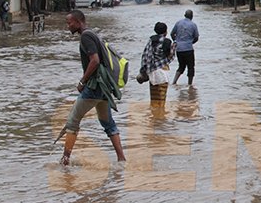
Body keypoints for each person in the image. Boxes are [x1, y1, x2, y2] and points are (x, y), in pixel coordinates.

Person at [61, 10, 126, 166]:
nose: (68, 26)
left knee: (72, 121)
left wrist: (82, 81)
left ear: (78, 22)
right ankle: (121, 159)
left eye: (69, 23)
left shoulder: (86, 36)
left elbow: (95, 61)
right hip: (103, 88)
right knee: (108, 124)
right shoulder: (93, 34)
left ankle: (65, 161)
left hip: (94, 87)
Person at [140, 22, 175, 106]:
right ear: (166, 32)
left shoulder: (151, 41)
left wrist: (143, 71)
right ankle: (161, 117)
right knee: (162, 99)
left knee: (154, 99)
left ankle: (154, 117)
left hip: (152, 72)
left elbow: (145, 56)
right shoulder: (167, 42)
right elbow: (170, 56)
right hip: (163, 72)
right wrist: (173, 48)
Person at [171, 10, 199, 85]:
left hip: (179, 49)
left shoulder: (178, 23)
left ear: (184, 15)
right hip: (188, 49)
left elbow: (172, 33)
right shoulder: (193, 25)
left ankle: (174, 82)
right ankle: (190, 84)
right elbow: (196, 37)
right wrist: (190, 42)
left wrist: (176, 41)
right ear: (192, 16)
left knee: (181, 66)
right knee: (191, 67)